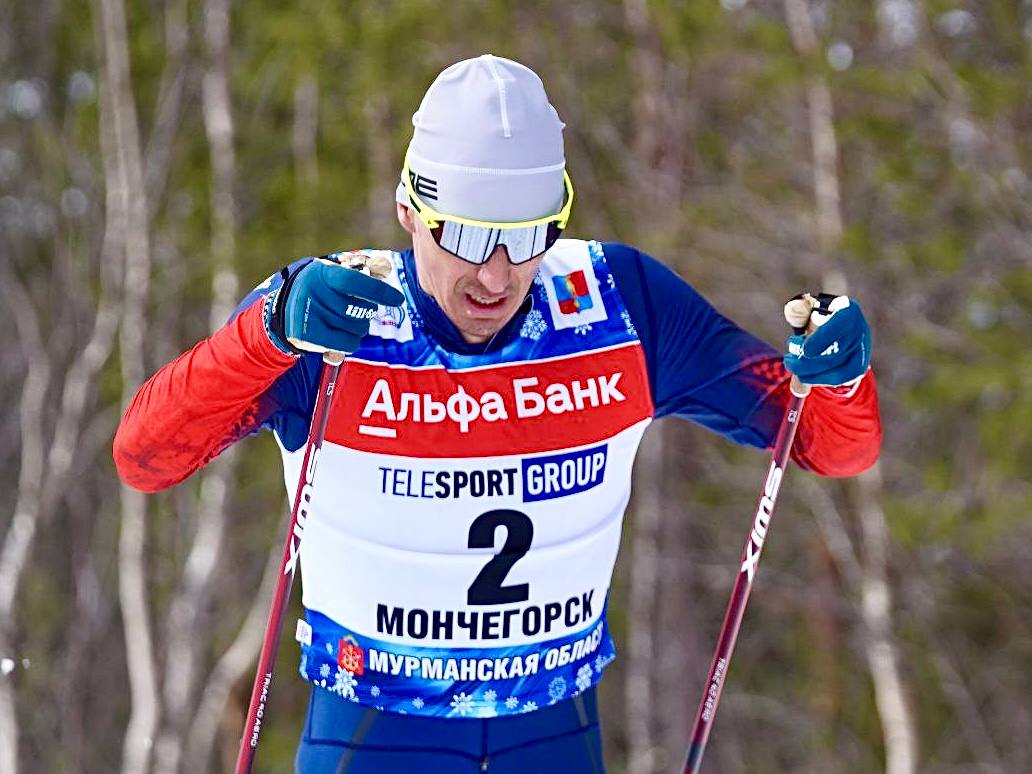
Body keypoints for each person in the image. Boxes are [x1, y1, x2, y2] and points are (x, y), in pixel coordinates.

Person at [113, 55, 880, 773]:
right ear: (409, 212)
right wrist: (265, 333)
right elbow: (145, 457)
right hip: (374, 735)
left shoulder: (622, 305)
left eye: (525, 238)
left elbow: (822, 442)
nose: (495, 274)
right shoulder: (335, 313)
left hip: (552, 734)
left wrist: (839, 377)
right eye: (471, 236)